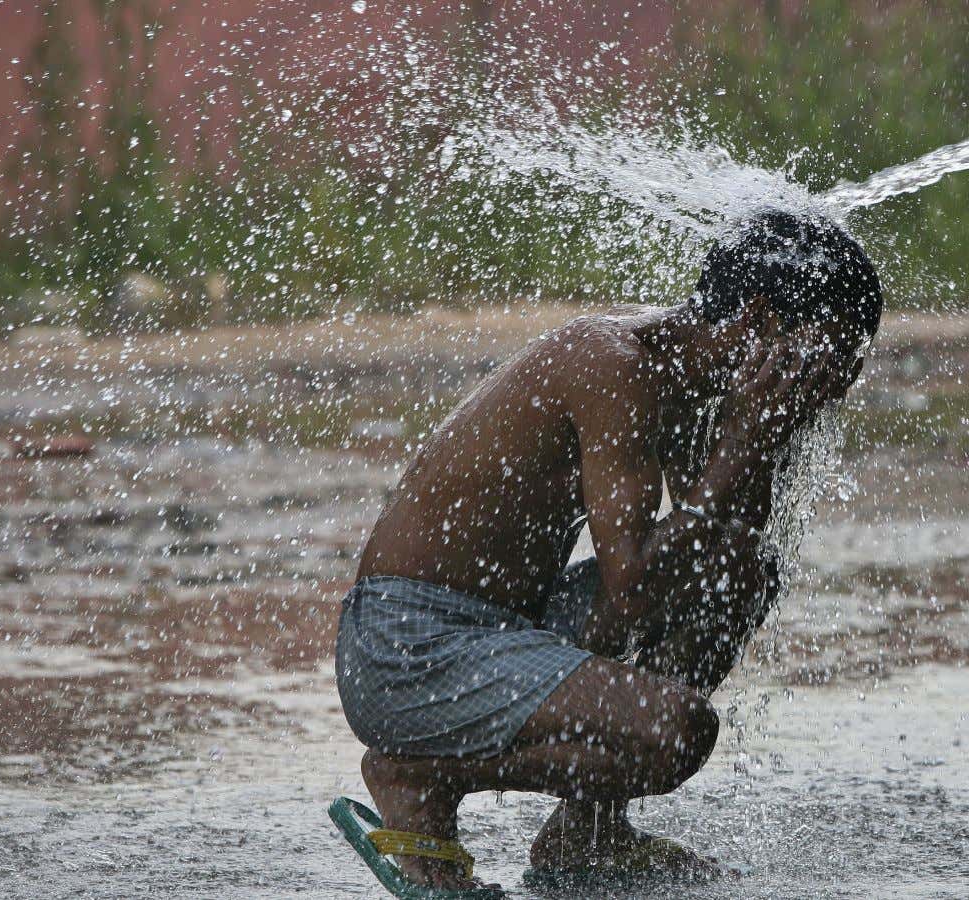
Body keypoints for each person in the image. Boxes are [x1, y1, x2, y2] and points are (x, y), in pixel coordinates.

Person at [333, 210, 883, 892]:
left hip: (510, 635)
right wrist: (745, 439)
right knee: (675, 732)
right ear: (760, 322)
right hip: (409, 648)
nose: (842, 380)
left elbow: (721, 545)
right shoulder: (614, 364)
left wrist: (760, 438)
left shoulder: (700, 376)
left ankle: (587, 833)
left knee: (742, 572)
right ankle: (417, 773)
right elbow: (636, 584)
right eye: (832, 353)